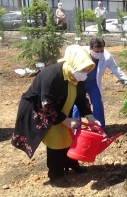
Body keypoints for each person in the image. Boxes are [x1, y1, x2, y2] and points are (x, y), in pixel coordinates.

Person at [11, 45, 101, 187]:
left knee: (68, 136)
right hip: (41, 108)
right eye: (83, 69)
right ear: (73, 64)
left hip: (62, 108)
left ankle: (70, 161)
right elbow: (47, 103)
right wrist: (64, 120)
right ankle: (55, 175)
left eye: (87, 70)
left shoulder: (77, 76)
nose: (85, 73)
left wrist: (90, 116)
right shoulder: (53, 75)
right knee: (56, 141)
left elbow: (81, 98)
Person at [72, 37, 127, 129]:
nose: (100, 54)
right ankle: (75, 129)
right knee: (77, 104)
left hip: (93, 83)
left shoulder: (106, 56)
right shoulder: (81, 53)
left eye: (101, 51)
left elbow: (116, 69)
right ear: (90, 49)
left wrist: (126, 82)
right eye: (97, 52)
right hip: (79, 83)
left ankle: (99, 128)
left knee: (97, 103)